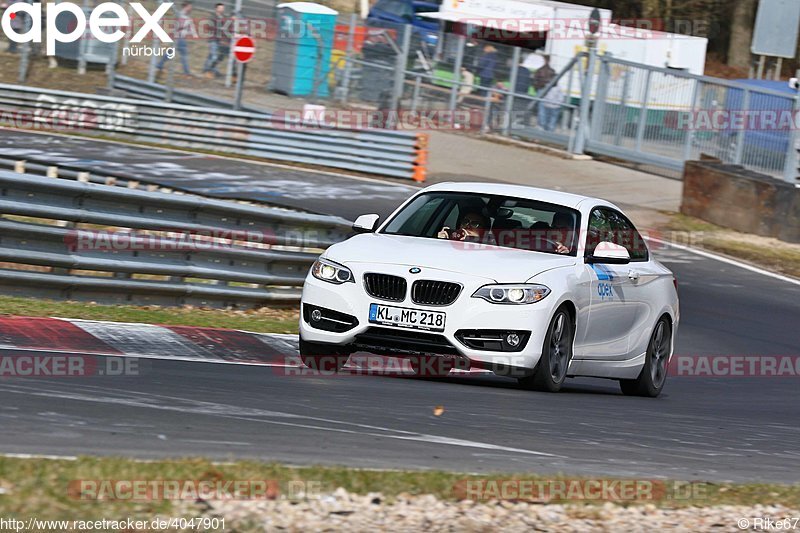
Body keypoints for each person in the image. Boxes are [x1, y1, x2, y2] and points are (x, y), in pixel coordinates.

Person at [157, 2, 194, 77]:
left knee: (170, 53)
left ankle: (159, 64)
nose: (191, 8)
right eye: (190, 6)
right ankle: (187, 72)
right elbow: (178, 26)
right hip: (180, 38)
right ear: (186, 6)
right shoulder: (181, 15)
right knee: (183, 55)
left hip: (179, 38)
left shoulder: (185, 16)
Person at [202, 3, 228, 79]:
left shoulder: (223, 18)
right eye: (220, 8)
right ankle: (214, 71)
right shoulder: (212, 18)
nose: (222, 9)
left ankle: (206, 69)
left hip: (219, 40)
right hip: (213, 39)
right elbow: (208, 27)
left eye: (223, 8)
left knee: (211, 56)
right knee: (214, 56)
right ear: (216, 9)